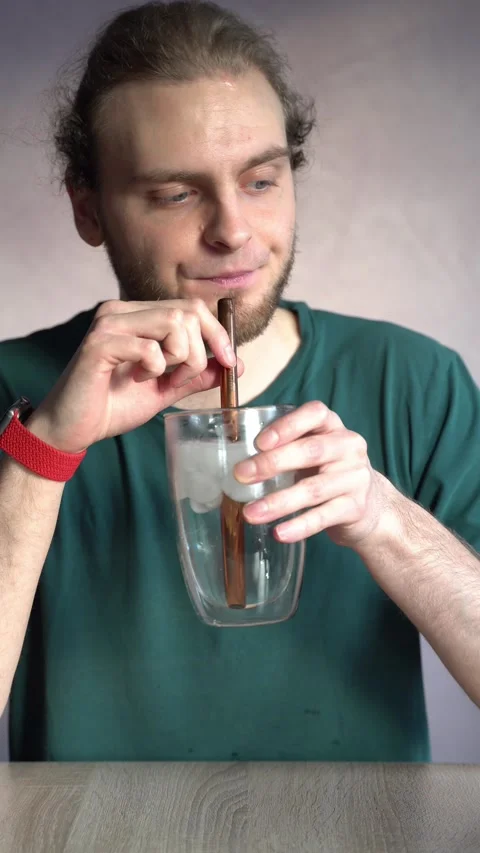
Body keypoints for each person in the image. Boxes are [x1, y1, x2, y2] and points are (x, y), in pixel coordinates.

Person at [0, 0, 479, 764]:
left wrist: (387, 519)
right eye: (175, 194)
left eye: (261, 179)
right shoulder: (15, 387)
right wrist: (44, 452)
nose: (233, 230)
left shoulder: (417, 381)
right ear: (89, 210)